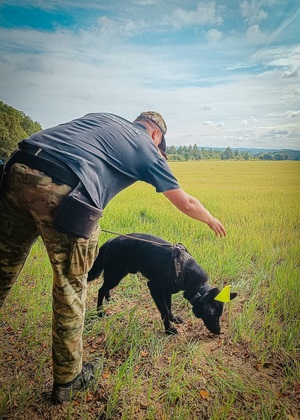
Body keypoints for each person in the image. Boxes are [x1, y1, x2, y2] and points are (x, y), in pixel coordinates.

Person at [0, 111, 226, 404]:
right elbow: (186, 201)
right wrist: (210, 219)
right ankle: (69, 380)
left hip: (16, 169)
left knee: (3, 268)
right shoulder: (146, 145)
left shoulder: (102, 118)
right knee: (70, 289)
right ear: (157, 135)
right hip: (65, 188)